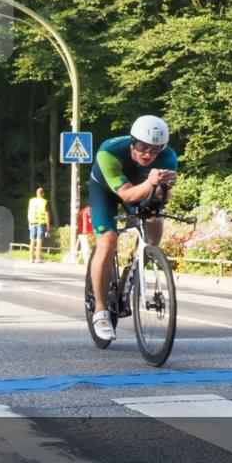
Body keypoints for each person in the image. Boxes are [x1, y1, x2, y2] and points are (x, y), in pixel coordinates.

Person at [88, 115, 178, 341]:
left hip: (142, 188)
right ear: (132, 142)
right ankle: (100, 311)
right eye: (142, 147)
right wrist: (150, 183)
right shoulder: (109, 152)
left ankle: (136, 262)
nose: (148, 154)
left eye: (155, 150)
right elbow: (126, 194)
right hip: (106, 191)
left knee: (155, 223)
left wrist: (164, 188)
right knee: (107, 241)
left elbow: (158, 199)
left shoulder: (168, 157)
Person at [27, 187, 51, 264]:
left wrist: (29, 223)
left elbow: (29, 212)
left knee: (32, 241)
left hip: (32, 222)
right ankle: (38, 258)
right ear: (43, 194)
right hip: (41, 223)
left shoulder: (31, 201)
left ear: (37, 193)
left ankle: (31, 258)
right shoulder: (45, 202)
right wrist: (48, 226)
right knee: (39, 241)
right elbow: (47, 214)